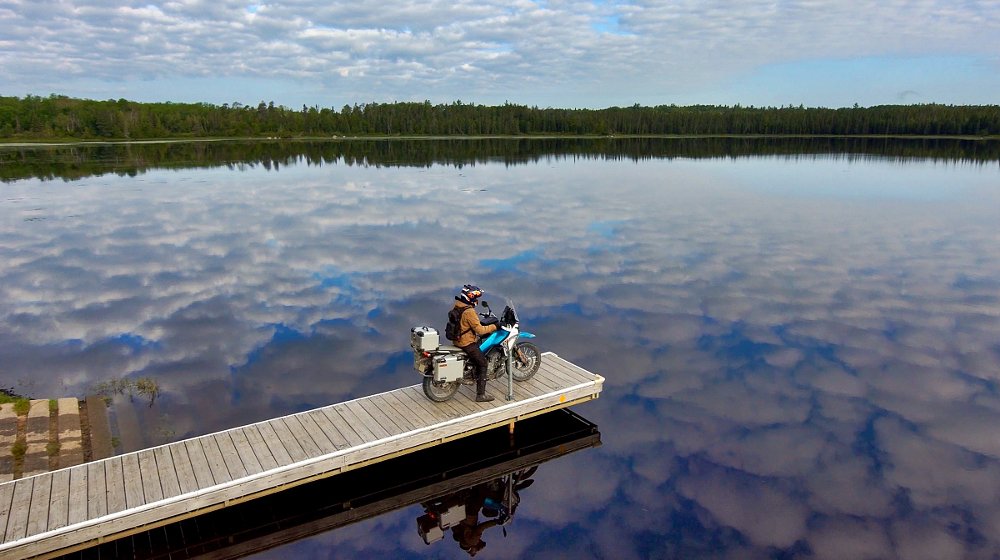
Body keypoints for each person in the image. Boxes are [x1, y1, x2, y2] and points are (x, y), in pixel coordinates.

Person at [451, 284, 500, 402]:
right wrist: (494, 326)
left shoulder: (458, 305)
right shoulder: (469, 311)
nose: (477, 300)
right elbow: (480, 330)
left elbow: (467, 323)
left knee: (478, 352)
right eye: (475, 297)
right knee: (483, 363)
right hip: (466, 342)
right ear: (470, 297)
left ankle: (473, 372)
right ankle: (481, 395)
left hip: (458, 339)